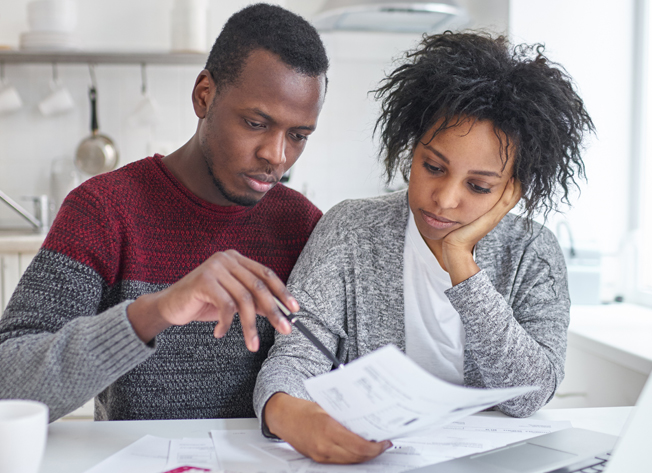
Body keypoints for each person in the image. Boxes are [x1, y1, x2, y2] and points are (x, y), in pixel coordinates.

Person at [0, 4, 329, 422]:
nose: (277, 155)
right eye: (255, 123)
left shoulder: (304, 226)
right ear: (204, 95)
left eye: (298, 135)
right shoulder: (104, 210)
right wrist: (155, 311)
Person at [254, 32, 595, 464]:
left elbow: (529, 394)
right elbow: (297, 352)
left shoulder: (533, 252)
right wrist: (285, 413)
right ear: (410, 150)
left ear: (513, 189)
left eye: (478, 185)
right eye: (433, 167)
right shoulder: (351, 229)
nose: (445, 198)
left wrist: (461, 264)